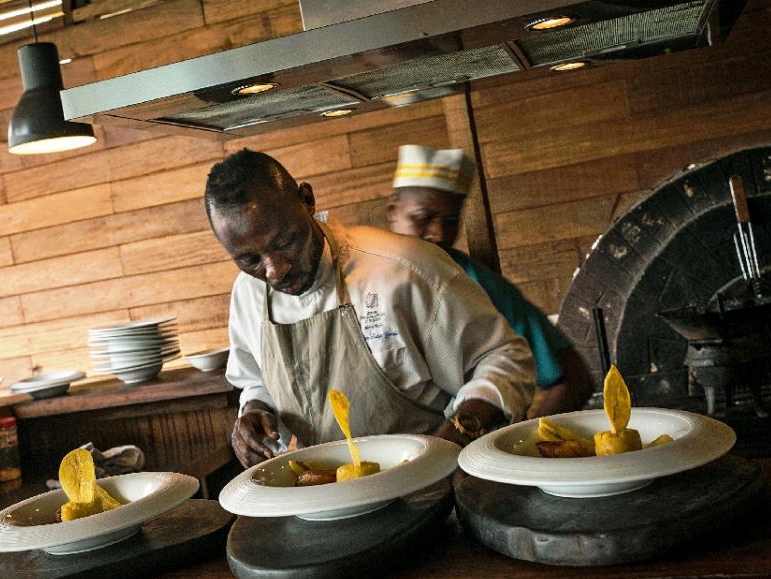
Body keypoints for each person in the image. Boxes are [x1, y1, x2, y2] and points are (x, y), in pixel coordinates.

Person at [206, 149, 536, 467]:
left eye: (284, 242)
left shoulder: (403, 269)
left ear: (307, 201)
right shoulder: (248, 293)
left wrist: (456, 436)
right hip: (325, 492)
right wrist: (254, 409)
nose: (274, 270)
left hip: (434, 488)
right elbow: (256, 379)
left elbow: (504, 359)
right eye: (248, 259)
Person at [386, 145, 594, 418]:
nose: (437, 233)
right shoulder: (363, 283)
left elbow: (573, 377)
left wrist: (523, 447)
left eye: (450, 221)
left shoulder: (476, 283)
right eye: (423, 218)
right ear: (392, 212)